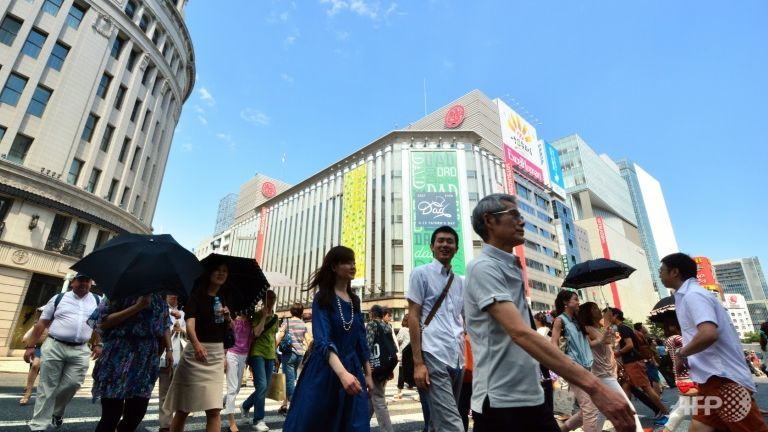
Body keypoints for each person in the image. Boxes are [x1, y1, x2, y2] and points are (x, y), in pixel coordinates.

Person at [463, 194, 635, 432]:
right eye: (514, 215)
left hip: (531, 393)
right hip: (502, 401)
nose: (522, 221)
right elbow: (520, 333)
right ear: (489, 221)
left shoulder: (509, 265)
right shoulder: (483, 267)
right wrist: (595, 387)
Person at [660, 252, 768, 431]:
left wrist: (681, 355)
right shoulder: (689, 295)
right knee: (698, 428)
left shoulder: (694, 295)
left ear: (675, 272)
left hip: (723, 379)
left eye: (662, 270)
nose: (660, 274)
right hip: (711, 379)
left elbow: (708, 334)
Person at [283, 246, 373, 431]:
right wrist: (342, 374)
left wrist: (369, 374)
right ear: (334, 267)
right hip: (325, 370)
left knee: (353, 424)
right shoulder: (322, 298)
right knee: (316, 421)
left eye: (354, 262)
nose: (353, 265)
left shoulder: (355, 301)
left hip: (352, 369)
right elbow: (323, 339)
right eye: (347, 262)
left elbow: (361, 340)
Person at [24, 274, 102, 431]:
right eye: (80, 280)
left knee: (73, 384)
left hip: (81, 349)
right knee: (47, 386)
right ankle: (38, 425)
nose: (84, 284)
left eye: (87, 281)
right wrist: (30, 346)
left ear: (91, 283)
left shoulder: (98, 300)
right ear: (73, 282)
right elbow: (42, 323)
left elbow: (99, 324)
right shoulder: (58, 298)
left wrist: (99, 343)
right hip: (55, 346)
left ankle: (57, 412)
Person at [407, 225, 466, 432]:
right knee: (453, 425)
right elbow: (413, 316)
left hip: (458, 357)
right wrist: (418, 363)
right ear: (432, 246)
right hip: (433, 354)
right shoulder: (420, 274)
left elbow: (465, 319)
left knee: (436, 423)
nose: (445, 245)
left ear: (456, 248)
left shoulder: (461, 282)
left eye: (450, 241)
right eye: (440, 241)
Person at [163, 262, 231, 432]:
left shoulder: (224, 299)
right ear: (209, 273)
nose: (221, 273)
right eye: (218, 270)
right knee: (183, 408)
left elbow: (228, 332)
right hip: (195, 353)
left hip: (215, 354)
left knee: (214, 410)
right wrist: (197, 345)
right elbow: (190, 325)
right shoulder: (196, 297)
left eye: (225, 271)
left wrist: (229, 318)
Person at [91, 293, 172, 432]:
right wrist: (137, 307)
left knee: (136, 413)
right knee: (111, 415)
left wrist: (169, 349)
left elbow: (165, 325)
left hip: (145, 360)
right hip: (118, 356)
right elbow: (101, 322)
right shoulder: (119, 292)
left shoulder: (160, 299)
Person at [571, 302, 644, 432]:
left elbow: (607, 345)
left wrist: (613, 338)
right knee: (627, 409)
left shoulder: (598, 328)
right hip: (601, 374)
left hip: (608, 372)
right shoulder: (586, 329)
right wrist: (605, 333)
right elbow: (588, 346)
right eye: (594, 308)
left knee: (601, 412)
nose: (598, 310)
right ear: (588, 312)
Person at [607, 308, 669, 424]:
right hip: (630, 362)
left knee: (646, 388)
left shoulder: (622, 328)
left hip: (633, 362)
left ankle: (665, 413)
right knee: (626, 387)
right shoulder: (622, 328)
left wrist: (616, 353)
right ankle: (629, 416)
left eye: (607, 315)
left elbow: (629, 345)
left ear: (615, 316)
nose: (606, 318)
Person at [550, 290, 600, 432]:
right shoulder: (560, 320)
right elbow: (553, 344)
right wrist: (563, 364)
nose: (579, 302)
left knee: (586, 409)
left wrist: (603, 339)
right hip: (573, 368)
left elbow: (587, 344)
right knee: (589, 408)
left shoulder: (577, 321)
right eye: (575, 299)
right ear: (566, 302)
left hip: (587, 367)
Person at [241, 290, 278, 432]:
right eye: (269, 297)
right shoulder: (257, 315)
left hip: (269, 354)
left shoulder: (275, 317)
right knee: (262, 385)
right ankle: (259, 420)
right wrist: (263, 317)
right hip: (257, 353)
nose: (272, 300)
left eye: (274, 297)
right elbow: (256, 332)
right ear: (264, 299)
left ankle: (245, 405)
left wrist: (275, 354)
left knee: (264, 387)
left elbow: (273, 337)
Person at [658, 310, 698, 432]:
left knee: (687, 408)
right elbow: (687, 354)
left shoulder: (670, 339)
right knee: (697, 409)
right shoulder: (677, 338)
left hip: (682, 376)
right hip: (688, 376)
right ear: (673, 326)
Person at [159, 294, 186, 432]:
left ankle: (177, 424)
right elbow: (158, 330)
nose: (174, 297)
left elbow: (190, 332)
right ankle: (165, 424)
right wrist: (171, 327)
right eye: (170, 294)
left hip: (181, 354)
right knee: (164, 389)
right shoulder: (161, 310)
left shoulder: (184, 313)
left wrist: (181, 329)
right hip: (165, 353)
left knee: (180, 390)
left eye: (176, 295)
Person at [275, 302, 308, 415]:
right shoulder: (303, 324)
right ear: (301, 312)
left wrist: (273, 348)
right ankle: (284, 405)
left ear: (291, 311)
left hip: (289, 354)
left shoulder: (287, 322)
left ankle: (295, 407)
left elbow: (280, 335)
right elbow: (307, 340)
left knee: (289, 381)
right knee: (290, 379)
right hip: (299, 354)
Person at [222, 311, 253, 432]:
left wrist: (248, 359)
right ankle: (232, 422)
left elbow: (250, 340)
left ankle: (222, 401)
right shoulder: (233, 319)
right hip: (232, 353)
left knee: (237, 388)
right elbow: (226, 336)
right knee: (232, 388)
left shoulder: (250, 320)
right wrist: (224, 357)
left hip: (244, 355)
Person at [366, 304, 394, 432]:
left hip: (374, 366)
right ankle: (360, 424)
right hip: (385, 366)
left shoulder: (372, 325)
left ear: (372, 314)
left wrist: (366, 366)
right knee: (373, 396)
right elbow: (390, 348)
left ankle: (387, 430)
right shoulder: (387, 326)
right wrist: (390, 369)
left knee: (378, 399)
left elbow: (367, 346)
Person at [20, 308, 47, 406]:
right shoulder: (38, 324)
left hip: (52, 349)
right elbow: (25, 338)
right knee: (35, 365)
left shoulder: (56, 324)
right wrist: (30, 344)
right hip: (39, 348)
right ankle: (28, 393)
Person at [533, 311, 555, 413]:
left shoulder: (540, 331)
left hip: (541, 361)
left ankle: (546, 407)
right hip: (549, 361)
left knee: (544, 384)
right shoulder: (548, 330)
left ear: (537, 320)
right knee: (548, 384)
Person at [394, 312, 413, 400]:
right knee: (412, 370)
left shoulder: (403, 330)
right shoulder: (413, 329)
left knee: (401, 372)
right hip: (412, 353)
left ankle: (399, 391)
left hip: (404, 353)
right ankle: (411, 385)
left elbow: (398, 340)